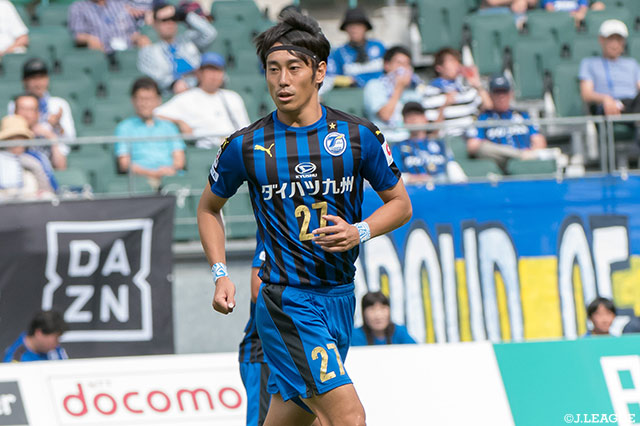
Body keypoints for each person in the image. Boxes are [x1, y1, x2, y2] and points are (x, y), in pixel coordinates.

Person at [197, 11, 412, 426]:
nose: (282, 80)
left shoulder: (357, 135)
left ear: (319, 72)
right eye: (273, 69)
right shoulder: (246, 145)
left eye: (294, 68)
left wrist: (359, 231)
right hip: (287, 301)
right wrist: (220, 273)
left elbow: (400, 204)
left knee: (295, 419)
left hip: (340, 297)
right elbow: (208, 208)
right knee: (348, 418)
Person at [155, 52, 250, 149]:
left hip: (234, 147)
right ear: (199, 73)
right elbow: (156, 114)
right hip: (207, 149)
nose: (214, 75)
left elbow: (245, 128)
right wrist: (179, 122)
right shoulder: (186, 97)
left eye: (217, 71)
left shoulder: (233, 97)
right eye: (209, 70)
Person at [466, 74, 548, 172]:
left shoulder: (522, 115)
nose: (501, 96)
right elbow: (473, 146)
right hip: (501, 164)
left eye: (504, 91)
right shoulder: (483, 118)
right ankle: (519, 155)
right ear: (490, 95)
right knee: (483, 148)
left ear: (511, 94)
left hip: (525, 164)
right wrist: (509, 153)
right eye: (497, 92)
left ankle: (521, 157)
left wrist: (532, 151)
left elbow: (539, 141)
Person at [114, 77, 185, 182]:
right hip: (140, 181)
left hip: (170, 177)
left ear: (158, 100)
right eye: (141, 99)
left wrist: (169, 171)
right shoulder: (124, 128)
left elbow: (179, 160)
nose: (145, 104)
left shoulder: (169, 127)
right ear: (133, 100)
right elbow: (124, 163)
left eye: (149, 99)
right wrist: (151, 173)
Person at [137, 0, 217, 94]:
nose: (170, 23)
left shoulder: (188, 40)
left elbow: (210, 33)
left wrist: (185, 15)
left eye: (173, 18)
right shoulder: (149, 51)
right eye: (164, 20)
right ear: (155, 24)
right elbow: (154, 78)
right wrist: (174, 84)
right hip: (171, 95)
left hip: (200, 90)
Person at [422, 47, 491, 137]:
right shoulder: (430, 92)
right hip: (447, 140)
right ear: (439, 68)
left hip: (469, 139)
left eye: (457, 61)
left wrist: (477, 84)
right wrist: (444, 106)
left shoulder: (466, 89)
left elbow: (488, 106)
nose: (456, 64)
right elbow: (432, 132)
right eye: (451, 61)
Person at [393, 101, 466, 184]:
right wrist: (417, 179)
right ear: (404, 121)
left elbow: (452, 167)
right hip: (413, 188)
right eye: (409, 116)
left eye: (417, 114)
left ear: (425, 118)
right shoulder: (398, 147)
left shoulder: (440, 144)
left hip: (441, 187)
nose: (413, 118)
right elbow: (394, 175)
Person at [579, 20, 640, 118]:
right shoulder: (589, 63)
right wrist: (605, 99)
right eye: (610, 39)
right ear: (601, 40)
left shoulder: (632, 64)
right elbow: (586, 94)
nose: (615, 44)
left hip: (632, 105)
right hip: (605, 107)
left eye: (619, 39)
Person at [363, 45, 423, 143]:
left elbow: (420, 121)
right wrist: (399, 87)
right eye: (399, 63)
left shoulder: (414, 90)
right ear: (387, 65)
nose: (403, 68)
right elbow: (385, 115)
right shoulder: (374, 86)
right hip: (384, 141)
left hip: (410, 142)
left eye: (407, 64)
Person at [324, 8, 385, 91]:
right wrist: (346, 81)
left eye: (358, 25)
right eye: (350, 26)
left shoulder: (379, 47)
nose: (354, 29)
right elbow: (329, 78)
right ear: (346, 29)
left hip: (380, 93)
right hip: (351, 95)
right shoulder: (338, 53)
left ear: (366, 27)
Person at [0, 115, 55, 199]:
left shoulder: (37, 158)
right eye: (12, 138)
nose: (17, 143)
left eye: (21, 138)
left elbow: (47, 189)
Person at [13, 94, 60, 191]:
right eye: (22, 109)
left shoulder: (46, 136)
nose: (26, 114)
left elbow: (61, 167)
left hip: (44, 189)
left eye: (31, 109)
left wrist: (52, 139)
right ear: (15, 112)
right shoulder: (6, 135)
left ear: (38, 113)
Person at [68, 0, 151, 53]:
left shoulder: (120, 3)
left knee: (144, 40)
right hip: (102, 49)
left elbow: (133, 31)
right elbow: (78, 35)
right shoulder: (78, 7)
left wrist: (138, 38)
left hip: (126, 45)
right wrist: (89, 39)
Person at [351, 291, 416, 346]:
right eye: (372, 309)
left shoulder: (400, 332)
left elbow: (416, 351)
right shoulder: (354, 336)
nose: (378, 315)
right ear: (363, 313)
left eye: (383, 308)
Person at [3, 310, 68, 362]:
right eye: (56, 338)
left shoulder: (55, 349)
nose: (57, 343)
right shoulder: (16, 359)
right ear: (39, 333)